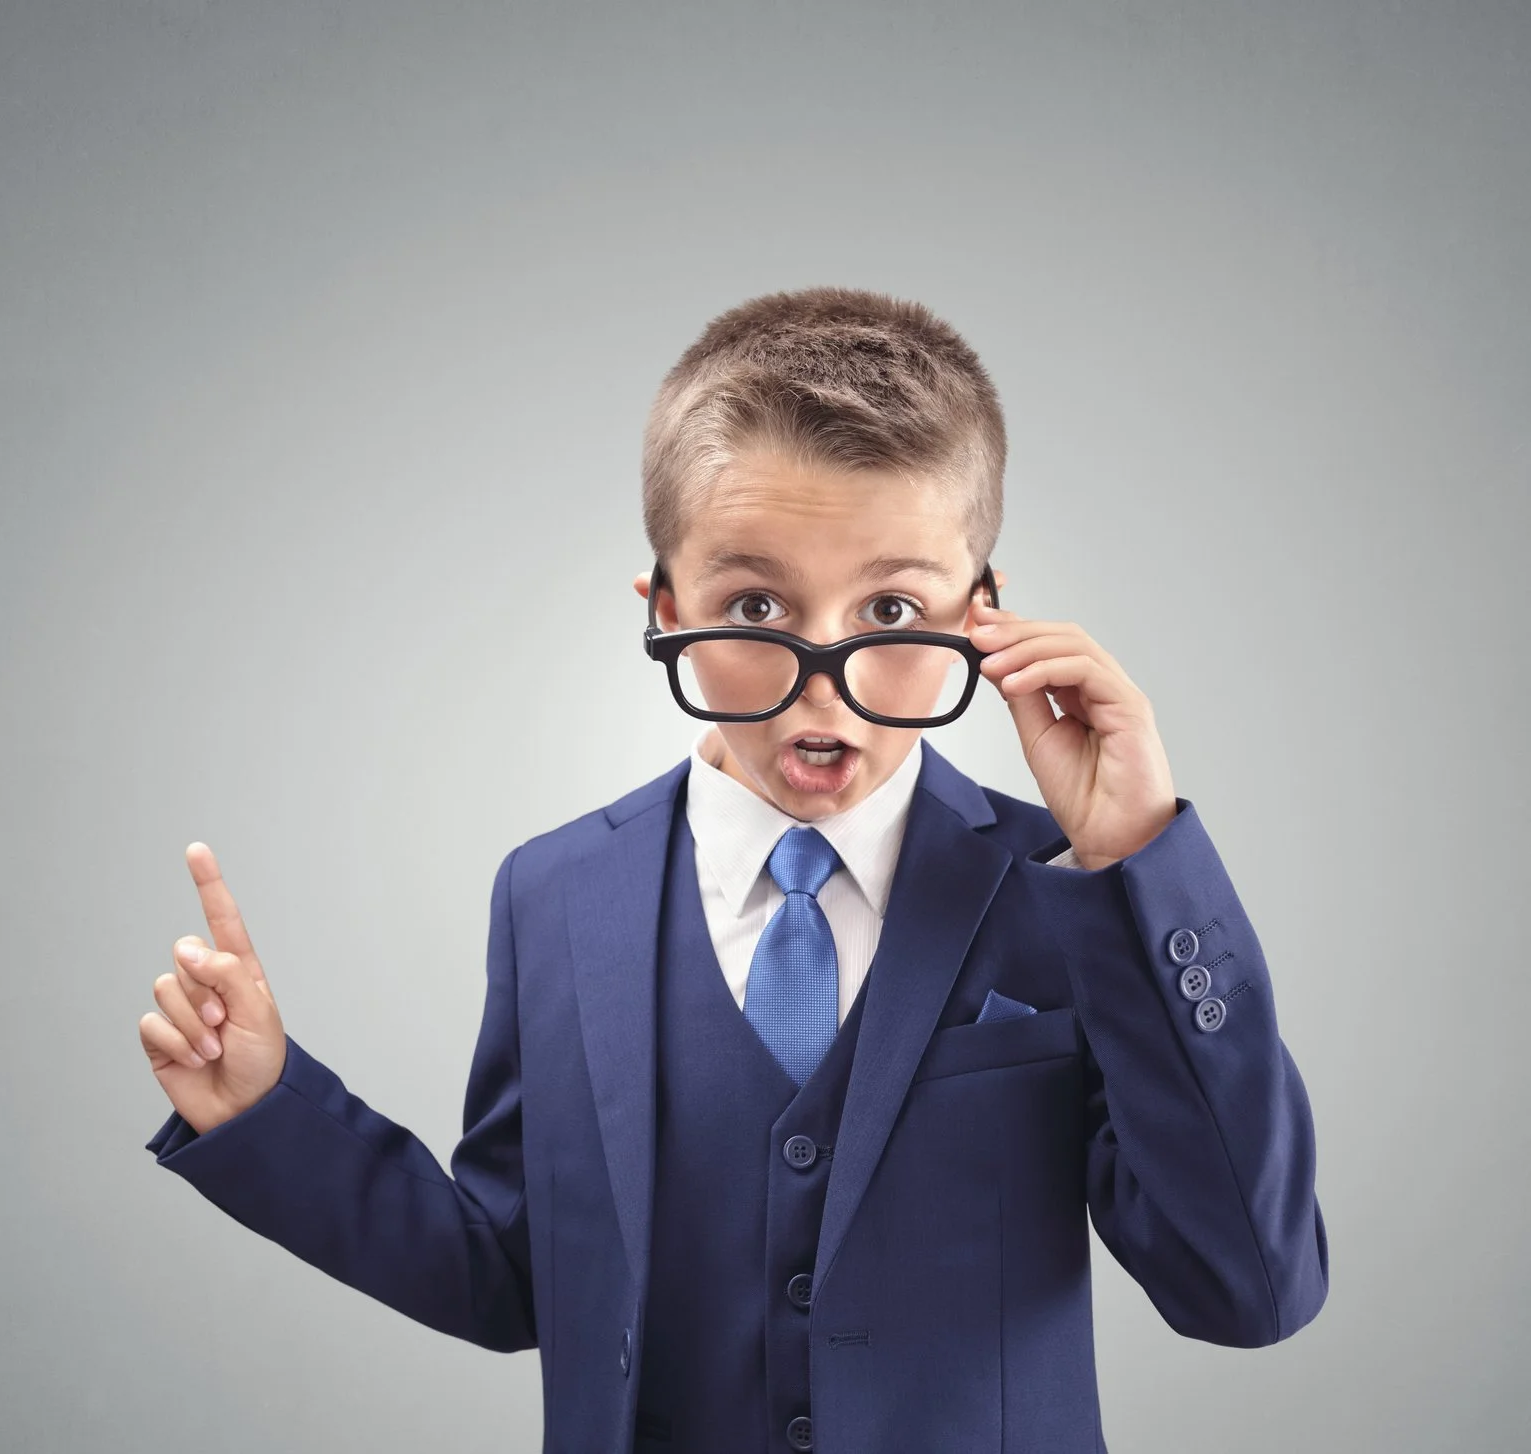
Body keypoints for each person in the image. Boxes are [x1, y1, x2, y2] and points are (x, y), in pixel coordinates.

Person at [137, 286, 1328, 1452]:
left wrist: (1137, 863)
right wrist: (267, 1110)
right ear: (661, 606)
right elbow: (516, 1274)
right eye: (755, 601)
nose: (822, 679)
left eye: (892, 607)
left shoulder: (1060, 888)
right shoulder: (553, 897)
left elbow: (1247, 1287)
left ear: (984, 614)